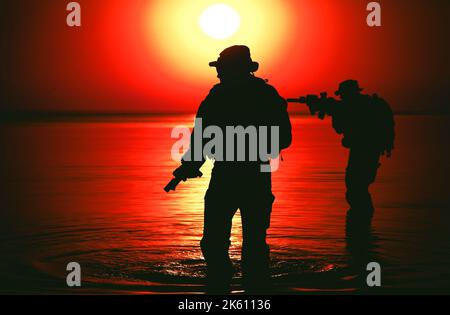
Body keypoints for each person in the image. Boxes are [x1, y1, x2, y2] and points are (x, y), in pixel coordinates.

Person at [171, 45, 292, 294]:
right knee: (242, 243)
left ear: (234, 69)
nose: (218, 74)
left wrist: (191, 165)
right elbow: (201, 139)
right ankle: (244, 286)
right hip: (247, 176)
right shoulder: (261, 95)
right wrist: (188, 167)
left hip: (236, 177)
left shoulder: (223, 96)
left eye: (222, 68)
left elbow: (200, 140)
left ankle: (224, 286)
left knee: (227, 243)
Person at [331, 80, 395, 236]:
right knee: (359, 187)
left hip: (363, 151)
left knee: (355, 187)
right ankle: (363, 227)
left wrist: (336, 112)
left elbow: (340, 128)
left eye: (343, 95)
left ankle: (360, 227)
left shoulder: (355, 108)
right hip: (370, 151)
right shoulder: (367, 105)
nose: (342, 99)